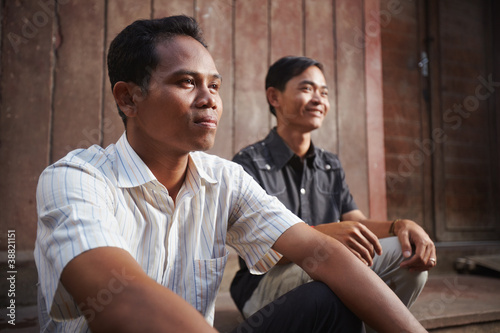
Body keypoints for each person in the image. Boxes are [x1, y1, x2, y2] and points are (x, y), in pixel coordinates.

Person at [34, 16, 427, 333]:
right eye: (187, 82)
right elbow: (121, 301)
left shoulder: (225, 179)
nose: (209, 100)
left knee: (329, 300)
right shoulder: (75, 178)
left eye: (215, 85)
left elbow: (323, 256)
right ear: (128, 97)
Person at [229, 55, 437, 330]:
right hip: (265, 286)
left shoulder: (330, 164)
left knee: (407, 258)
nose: (318, 99)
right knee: (338, 268)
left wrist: (402, 225)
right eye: (306, 89)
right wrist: (320, 236)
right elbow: (258, 249)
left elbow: (358, 223)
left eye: (323, 92)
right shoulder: (248, 163)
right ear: (274, 97)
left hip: (330, 268)